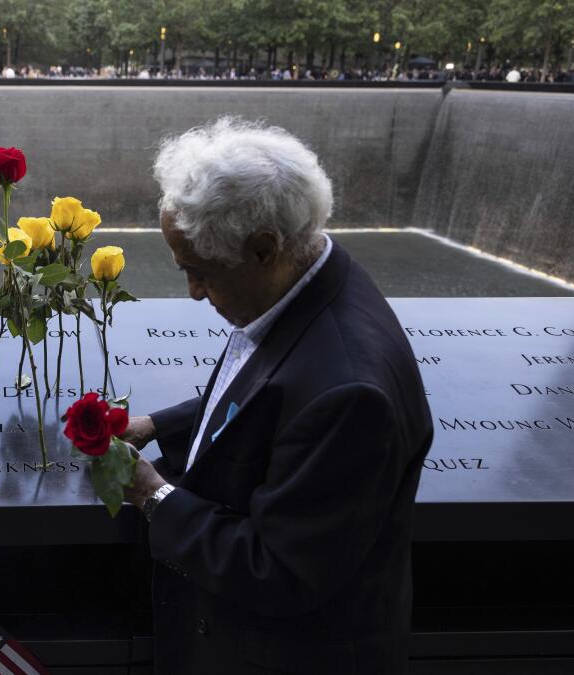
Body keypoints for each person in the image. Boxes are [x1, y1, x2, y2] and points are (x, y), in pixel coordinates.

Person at [121, 117, 433, 674]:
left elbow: (279, 570)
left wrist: (153, 494)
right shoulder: (313, 282)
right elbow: (276, 397)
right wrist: (157, 425)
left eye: (200, 272)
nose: (193, 293)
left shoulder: (352, 393)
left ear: (265, 248)